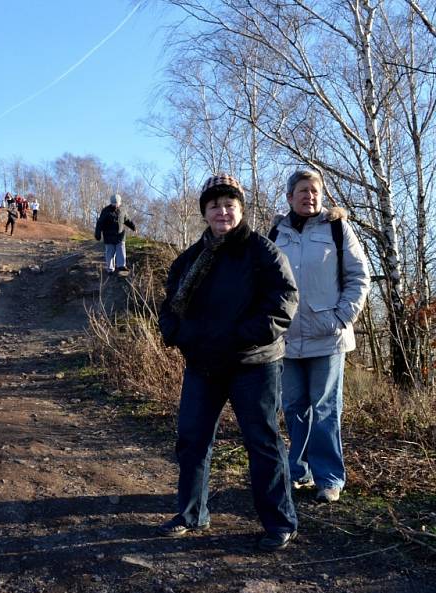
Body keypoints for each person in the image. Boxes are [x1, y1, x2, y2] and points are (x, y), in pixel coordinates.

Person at [158, 174, 300, 552]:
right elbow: (170, 305)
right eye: (215, 205)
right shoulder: (189, 259)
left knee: (262, 442)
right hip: (203, 364)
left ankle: (280, 523)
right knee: (192, 440)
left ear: (241, 209)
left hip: (253, 364)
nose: (223, 211)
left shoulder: (263, 252)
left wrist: (241, 334)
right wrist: (174, 333)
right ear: (205, 212)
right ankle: (192, 513)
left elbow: (284, 302)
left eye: (230, 205)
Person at [271, 169, 370, 503]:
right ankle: (299, 473)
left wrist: (342, 316)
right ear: (289, 197)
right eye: (302, 190)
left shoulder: (337, 228)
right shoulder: (276, 232)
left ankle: (329, 478)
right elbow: (265, 281)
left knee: (325, 408)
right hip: (286, 339)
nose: (309, 196)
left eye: (314, 191)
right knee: (294, 407)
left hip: (328, 337)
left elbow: (359, 276)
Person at [94, 194, 136, 274]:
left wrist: (133, 227)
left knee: (121, 250)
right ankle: (110, 269)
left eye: (117, 203)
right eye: (114, 203)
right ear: (111, 203)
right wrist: (98, 233)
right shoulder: (105, 211)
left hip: (120, 235)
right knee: (110, 252)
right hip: (109, 236)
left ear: (120, 202)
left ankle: (121, 266)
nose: (116, 204)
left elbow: (127, 220)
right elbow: (100, 223)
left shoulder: (122, 210)